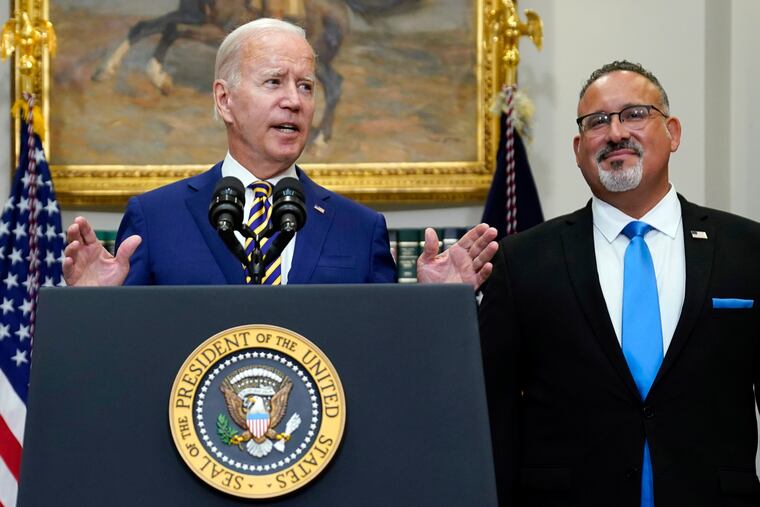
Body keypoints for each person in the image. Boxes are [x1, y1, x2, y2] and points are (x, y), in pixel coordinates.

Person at [479, 60, 760, 506]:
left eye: (634, 114)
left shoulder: (748, 248)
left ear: (673, 133)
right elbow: (492, 413)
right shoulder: (522, 260)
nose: (614, 133)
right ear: (578, 148)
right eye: (597, 122)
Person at [63, 18, 497, 288]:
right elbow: (119, 361)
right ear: (224, 100)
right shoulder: (155, 219)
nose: (295, 100)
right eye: (274, 82)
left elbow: (385, 362)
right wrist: (88, 307)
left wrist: (440, 304)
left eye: (306, 86)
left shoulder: (360, 230)